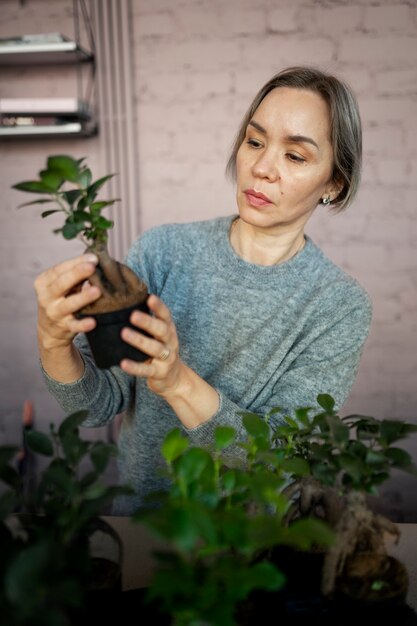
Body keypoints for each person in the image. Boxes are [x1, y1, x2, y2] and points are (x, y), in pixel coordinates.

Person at [35, 66, 372, 514]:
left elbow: (280, 462)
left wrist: (176, 380)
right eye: (254, 141)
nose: (261, 167)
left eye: (295, 156)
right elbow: (96, 406)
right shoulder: (163, 251)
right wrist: (52, 341)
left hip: (247, 550)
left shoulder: (338, 306)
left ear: (334, 183)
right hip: (142, 528)